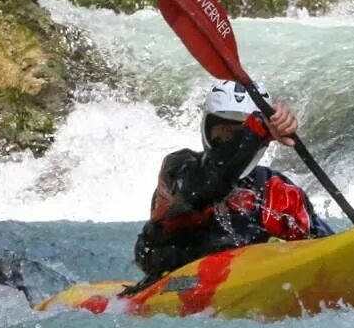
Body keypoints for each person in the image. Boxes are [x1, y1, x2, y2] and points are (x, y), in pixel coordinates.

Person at [133, 80, 332, 281]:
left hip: (259, 285)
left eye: (239, 130)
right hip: (177, 278)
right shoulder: (178, 168)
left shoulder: (279, 190)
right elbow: (210, 182)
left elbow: (326, 250)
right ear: (207, 127)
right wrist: (257, 128)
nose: (231, 138)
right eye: (223, 128)